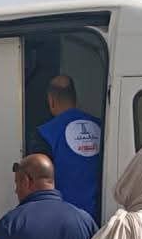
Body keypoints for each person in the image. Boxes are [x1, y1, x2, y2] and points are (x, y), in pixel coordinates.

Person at [34, 75, 102, 217]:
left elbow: (39, 182)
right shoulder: (101, 127)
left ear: (51, 101)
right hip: (99, 214)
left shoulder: (45, 133)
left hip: (62, 217)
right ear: (75, 99)